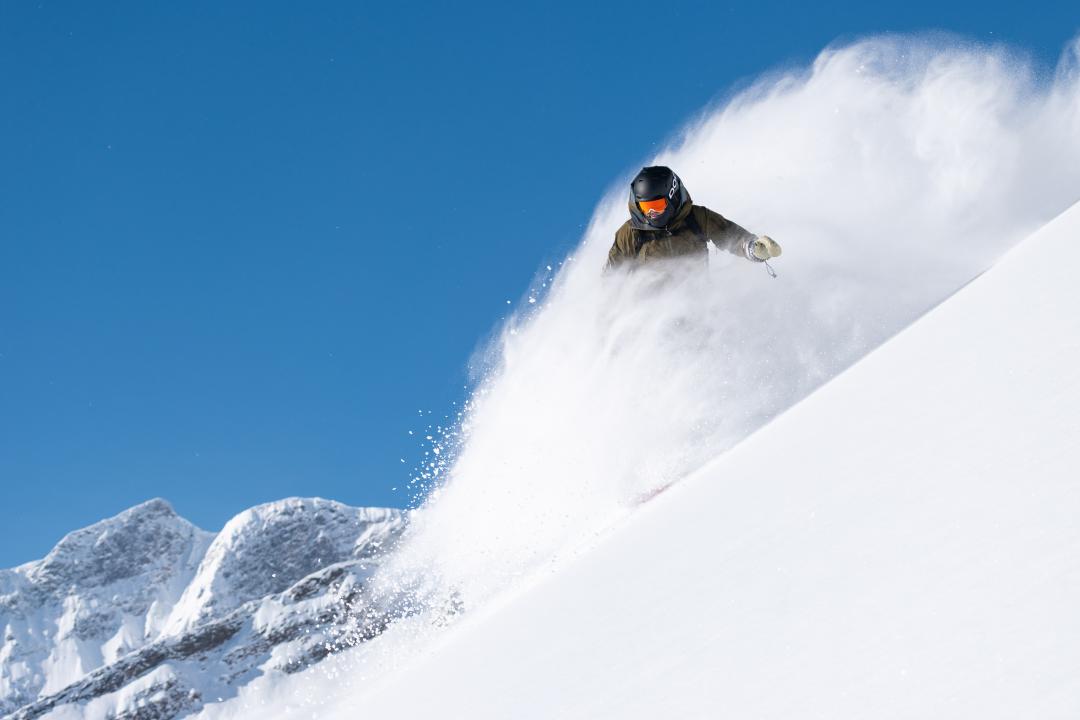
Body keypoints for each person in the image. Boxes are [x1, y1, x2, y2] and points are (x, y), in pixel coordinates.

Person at [605, 166, 782, 272]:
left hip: (696, 306)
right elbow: (612, 275)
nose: (651, 214)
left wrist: (752, 247)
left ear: (672, 197)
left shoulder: (695, 218)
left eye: (657, 206)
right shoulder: (631, 233)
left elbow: (729, 234)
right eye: (645, 208)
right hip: (649, 312)